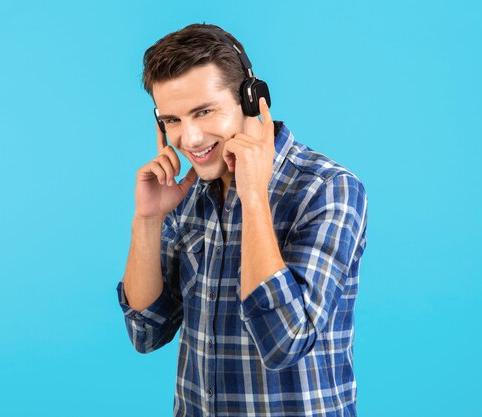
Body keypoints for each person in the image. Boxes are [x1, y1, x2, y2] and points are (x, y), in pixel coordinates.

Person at [116, 23, 368, 417]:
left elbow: (285, 341)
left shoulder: (328, 189)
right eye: (173, 120)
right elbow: (145, 331)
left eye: (204, 111)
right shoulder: (187, 195)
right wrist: (147, 219)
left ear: (252, 102)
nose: (192, 138)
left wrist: (253, 196)